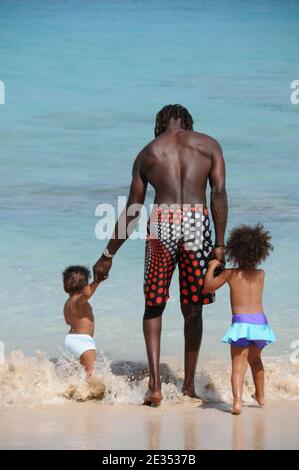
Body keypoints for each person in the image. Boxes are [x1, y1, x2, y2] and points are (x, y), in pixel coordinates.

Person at [93, 104, 228, 405]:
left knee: (154, 303)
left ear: (160, 123)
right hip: (197, 224)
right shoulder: (209, 146)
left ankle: (154, 386)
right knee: (193, 307)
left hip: (162, 221)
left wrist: (108, 253)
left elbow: (133, 210)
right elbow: (218, 193)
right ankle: (189, 387)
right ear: (188, 123)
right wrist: (219, 245)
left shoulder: (148, 153)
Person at [204, 224, 276, 414]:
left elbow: (208, 287)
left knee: (238, 365)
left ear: (235, 251)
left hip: (241, 324)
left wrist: (211, 267)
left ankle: (237, 402)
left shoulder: (231, 274)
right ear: (260, 252)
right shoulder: (261, 274)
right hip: (260, 324)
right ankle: (260, 396)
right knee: (256, 361)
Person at [63, 265, 101, 377]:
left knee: (75, 372)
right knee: (90, 373)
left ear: (65, 287)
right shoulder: (79, 301)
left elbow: (67, 321)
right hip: (83, 341)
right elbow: (87, 294)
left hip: (70, 340)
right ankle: (90, 393)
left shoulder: (67, 303)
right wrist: (97, 281)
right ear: (85, 286)